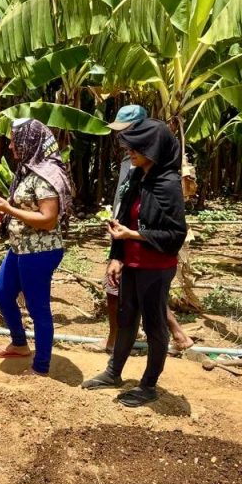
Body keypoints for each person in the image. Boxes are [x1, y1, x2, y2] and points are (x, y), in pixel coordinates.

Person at [82, 118, 188, 406]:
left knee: (155, 326)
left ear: (153, 149)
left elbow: (175, 234)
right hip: (132, 263)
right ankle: (113, 372)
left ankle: (148, 385)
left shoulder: (168, 184)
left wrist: (134, 235)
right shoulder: (137, 177)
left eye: (136, 147)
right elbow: (125, 218)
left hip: (156, 268)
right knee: (126, 318)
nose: (130, 152)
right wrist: (117, 256)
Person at [102, 105, 193, 358]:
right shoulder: (131, 163)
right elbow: (126, 198)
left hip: (143, 241)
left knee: (144, 296)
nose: (123, 139)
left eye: (128, 131)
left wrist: (131, 234)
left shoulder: (162, 178)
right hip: (124, 234)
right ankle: (119, 349)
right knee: (132, 296)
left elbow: (173, 229)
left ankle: (142, 354)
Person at [0, 118, 73, 376]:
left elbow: (48, 219)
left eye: (15, 140)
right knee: (2, 294)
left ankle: (41, 366)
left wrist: (9, 209)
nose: (10, 146)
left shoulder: (46, 175)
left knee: (38, 308)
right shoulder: (27, 170)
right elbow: (24, 207)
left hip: (39, 251)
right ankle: (19, 343)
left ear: (30, 141)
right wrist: (5, 213)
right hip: (21, 247)